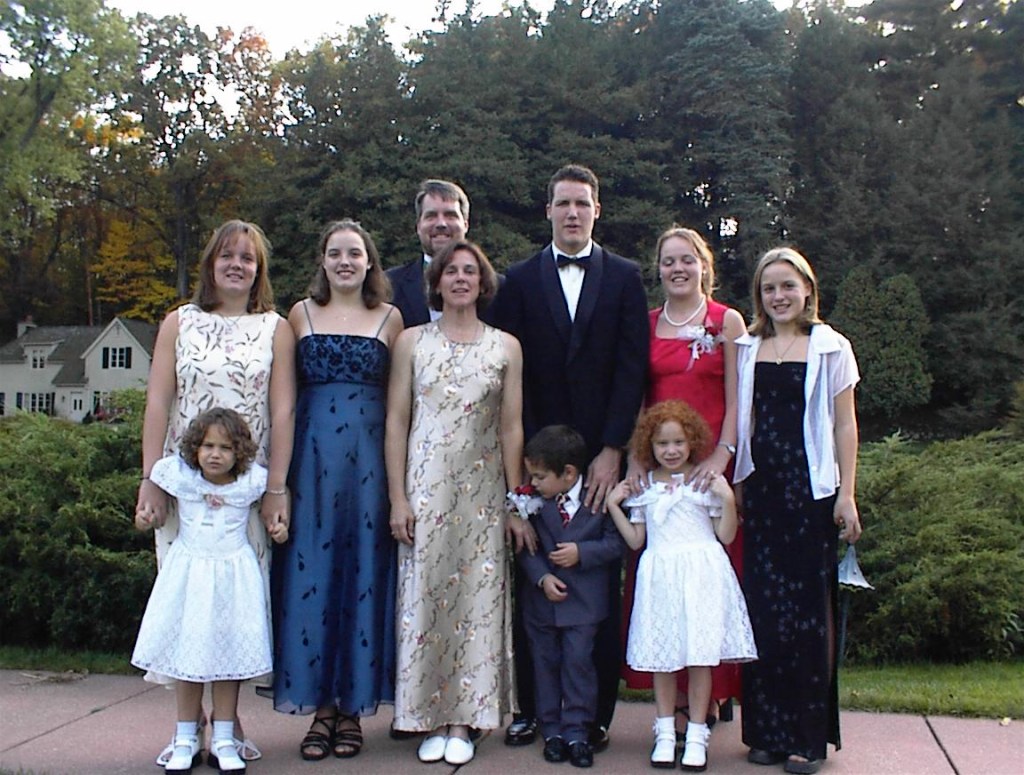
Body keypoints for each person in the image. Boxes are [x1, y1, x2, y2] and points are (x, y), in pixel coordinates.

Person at [490, 164, 649, 750]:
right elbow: (511, 375)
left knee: (597, 580)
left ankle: (594, 716)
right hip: (538, 460)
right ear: (549, 211)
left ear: (597, 210)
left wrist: (613, 449)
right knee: (534, 572)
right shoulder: (518, 279)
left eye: (582, 203)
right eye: (563, 203)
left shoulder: (625, 277)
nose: (573, 212)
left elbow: (632, 368)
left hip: (600, 457)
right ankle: (534, 709)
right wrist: (524, 473)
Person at [136, 219, 296, 767]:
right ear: (210, 263)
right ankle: (187, 728)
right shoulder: (179, 322)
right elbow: (158, 401)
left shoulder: (275, 327)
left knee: (233, 608)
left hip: (245, 491)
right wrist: (151, 479)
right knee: (188, 607)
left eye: (247, 258)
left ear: (259, 269)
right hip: (184, 488)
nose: (236, 265)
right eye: (227, 255)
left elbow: (282, 410)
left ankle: (226, 726)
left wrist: (276, 487)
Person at [385, 240, 525, 766]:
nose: (461, 279)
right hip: (425, 490)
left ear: (483, 283)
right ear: (437, 282)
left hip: (483, 495)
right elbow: (397, 421)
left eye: (470, 271)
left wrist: (515, 501)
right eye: (451, 271)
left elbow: (511, 427)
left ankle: (466, 720)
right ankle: (428, 716)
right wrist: (397, 497)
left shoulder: (506, 347)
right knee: (425, 600)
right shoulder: (411, 341)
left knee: (475, 604)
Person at [271, 221, 403, 760]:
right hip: (311, 463)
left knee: (364, 575)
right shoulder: (298, 316)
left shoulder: (392, 319)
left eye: (354, 253)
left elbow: (399, 408)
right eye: (335, 253)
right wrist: (278, 483)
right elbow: (283, 402)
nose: (345, 261)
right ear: (322, 261)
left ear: (370, 262)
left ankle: (352, 711)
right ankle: (319, 709)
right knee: (312, 578)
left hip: (369, 466)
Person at [734, 247, 862, 775]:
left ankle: (807, 741)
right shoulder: (747, 346)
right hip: (761, 493)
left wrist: (847, 493)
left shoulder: (831, 346)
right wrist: (737, 483)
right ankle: (766, 733)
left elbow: (845, 425)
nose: (779, 296)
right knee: (764, 613)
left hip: (811, 494)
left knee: (808, 617)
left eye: (788, 285)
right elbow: (743, 419)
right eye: (769, 288)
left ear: (807, 289)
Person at [623, 226, 747, 731]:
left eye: (687, 260)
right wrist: (636, 460)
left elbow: (739, 396)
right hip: (661, 469)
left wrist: (723, 455)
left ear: (704, 266)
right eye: (669, 261)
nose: (678, 268)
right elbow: (637, 397)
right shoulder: (647, 323)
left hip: (710, 467)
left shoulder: (726, 320)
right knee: (664, 585)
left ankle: (711, 695)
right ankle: (670, 696)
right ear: (658, 269)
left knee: (709, 583)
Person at [133, 408, 288, 774]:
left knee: (227, 661)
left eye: (225, 448)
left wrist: (279, 530)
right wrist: (144, 519)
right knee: (187, 659)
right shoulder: (180, 478)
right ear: (195, 448)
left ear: (240, 452)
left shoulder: (251, 483)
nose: (215, 454)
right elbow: (148, 515)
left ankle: (224, 737)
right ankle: (186, 735)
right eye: (207, 446)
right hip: (190, 577)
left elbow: (276, 519)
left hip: (234, 580)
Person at [608, 401, 756, 771]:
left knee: (699, 658)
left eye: (678, 442)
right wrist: (614, 506)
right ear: (650, 446)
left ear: (692, 442)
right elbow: (636, 541)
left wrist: (726, 498)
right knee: (664, 658)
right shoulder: (645, 487)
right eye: (662, 444)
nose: (671, 450)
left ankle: (696, 734)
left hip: (701, 575)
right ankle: (663, 732)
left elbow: (726, 535)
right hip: (661, 577)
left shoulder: (704, 483)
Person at [516, 425, 625, 769]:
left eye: (539, 477)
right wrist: (542, 576)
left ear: (568, 473)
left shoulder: (598, 500)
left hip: (584, 605)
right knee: (545, 665)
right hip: (542, 604)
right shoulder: (531, 502)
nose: (533, 483)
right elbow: (526, 547)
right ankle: (552, 732)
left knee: (579, 664)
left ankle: (578, 731)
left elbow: (616, 543)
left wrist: (582, 552)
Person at [387, 179, 470, 327]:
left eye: (450, 215)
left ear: (465, 225)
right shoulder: (389, 285)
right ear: (418, 226)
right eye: (431, 216)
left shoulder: (498, 288)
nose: (441, 224)